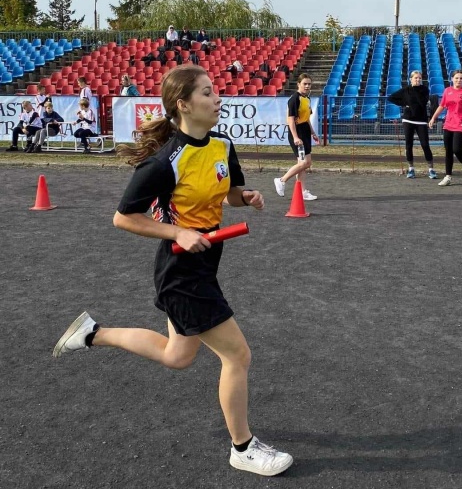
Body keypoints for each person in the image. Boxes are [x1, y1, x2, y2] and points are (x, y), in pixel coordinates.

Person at [52, 66, 293, 477]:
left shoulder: (222, 145)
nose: (218, 98)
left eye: (215, 91)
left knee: (177, 356)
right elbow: (123, 218)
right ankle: (243, 448)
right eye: (207, 92)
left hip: (205, 264)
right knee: (237, 355)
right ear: (183, 104)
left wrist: (246, 196)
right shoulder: (164, 162)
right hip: (181, 274)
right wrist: (177, 231)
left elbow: (229, 193)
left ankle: (91, 333)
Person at [428, 69, 462, 186]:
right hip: (448, 124)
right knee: (448, 151)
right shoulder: (447, 91)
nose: (458, 80)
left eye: (461, 78)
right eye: (456, 78)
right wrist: (433, 118)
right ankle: (448, 176)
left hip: (460, 124)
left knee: (457, 149)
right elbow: (442, 106)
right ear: (452, 79)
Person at [274, 73, 319, 201]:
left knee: (305, 164)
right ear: (298, 84)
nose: (307, 86)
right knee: (304, 162)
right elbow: (290, 120)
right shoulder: (294, 99)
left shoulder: (307, 99)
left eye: (309, 84)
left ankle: (302, 191)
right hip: (297, 132)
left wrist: (313, 133)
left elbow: (307, 119)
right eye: (305, 84)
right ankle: (281, 180)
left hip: (305, 131)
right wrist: (295, 137)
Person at [387, 70, 437, 179]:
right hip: (408, 120)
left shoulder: (424, 89)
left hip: (421, 120)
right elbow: (391, 97)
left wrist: (410, 99)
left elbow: (422, 101)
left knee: (425, 144)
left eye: (419, 78)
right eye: (416, 78)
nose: (418, 79)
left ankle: (431, 169)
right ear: (411, 79)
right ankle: (411, 168)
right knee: (408, 145)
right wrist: (404, 103)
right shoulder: (406, 90)